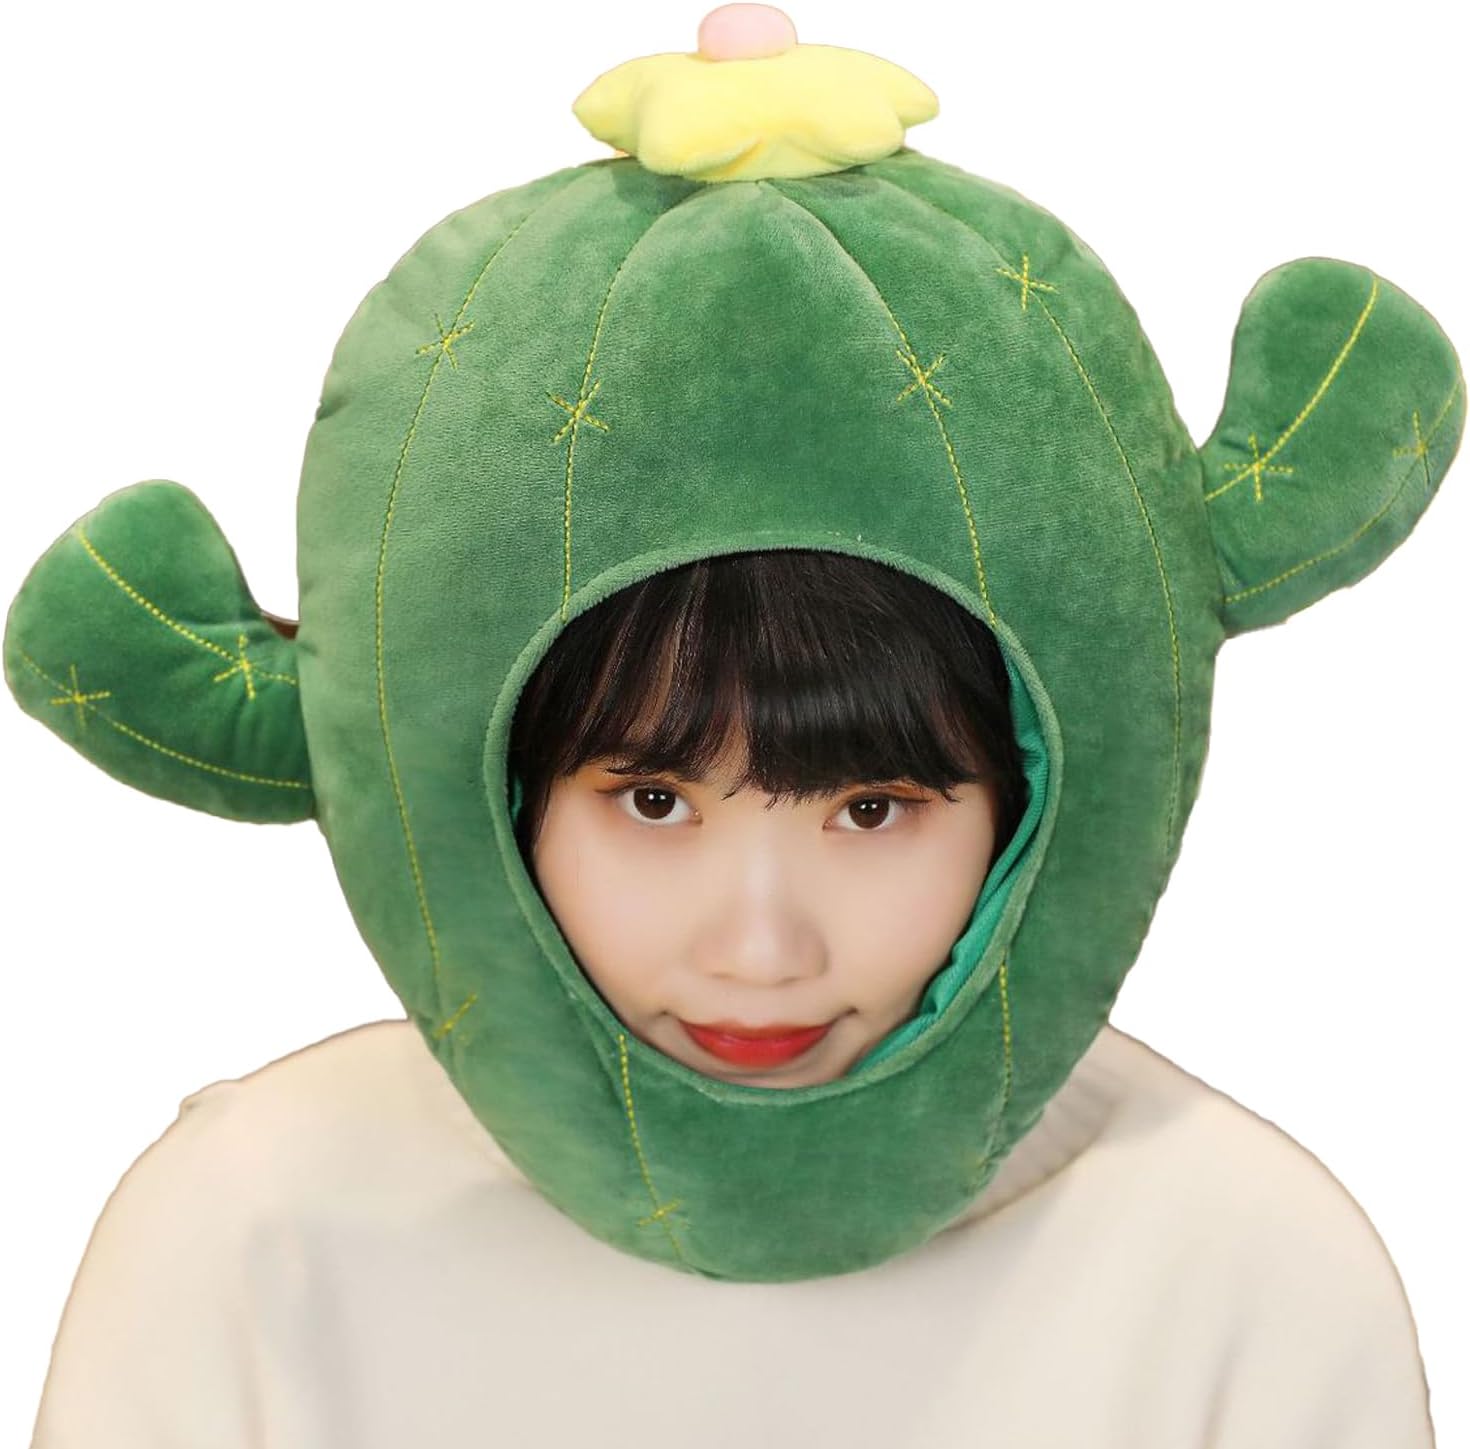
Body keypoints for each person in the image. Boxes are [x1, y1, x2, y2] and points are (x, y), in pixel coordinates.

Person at [8, 6, 1458, 1444]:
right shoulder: (255, 1233)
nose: (760, 952)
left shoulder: (1243, 1270)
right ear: (488, 789)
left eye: (871, 808)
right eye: (651, 801)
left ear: (1035, 793)